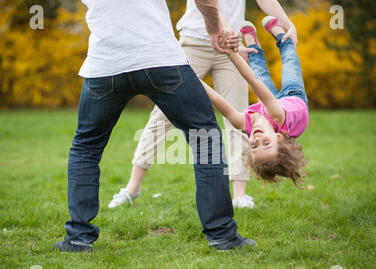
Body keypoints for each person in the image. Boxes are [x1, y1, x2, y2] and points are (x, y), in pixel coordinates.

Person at [54, 0, 257, 253]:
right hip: (160, 60)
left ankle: (77, 239)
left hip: (105, 65)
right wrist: (214, 26)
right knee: (205, 137)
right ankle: (222, 236)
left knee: (86, 147)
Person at [108, 0, 299, 210]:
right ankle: (132, 188)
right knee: (162, 115)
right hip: (195, 41)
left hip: (231, 46)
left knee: (243, 122)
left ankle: (239, 196)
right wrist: (224, 29)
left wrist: (287, 23)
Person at [202, 16, 309, 187]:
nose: (257, 140)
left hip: (266, 107)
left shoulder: (243, 124)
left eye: (254, 147)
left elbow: (216, 99)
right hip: (293, 97)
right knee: (289, 62)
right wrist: (230, 52)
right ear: (279, 137)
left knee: (259, 70)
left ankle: (252, 46)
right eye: (266, 143)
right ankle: (281, 36)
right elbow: (252, 82)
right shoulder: (277, 116)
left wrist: (191, 76)